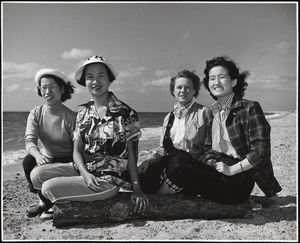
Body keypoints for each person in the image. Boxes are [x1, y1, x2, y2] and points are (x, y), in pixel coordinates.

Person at [148, 56, 282, 205]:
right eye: (212, 78)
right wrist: (210, 162)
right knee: (167, 164)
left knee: (180, 163)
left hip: (239, 180)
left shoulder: (249, 108)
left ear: (233, 81)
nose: (216, 82)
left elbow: (261, 153)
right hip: (217, 173)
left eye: (222, 77)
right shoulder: (213, 113)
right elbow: (208, 148)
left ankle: (157, 201)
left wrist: (231, 170)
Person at [30, 55, 148, 213]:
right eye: (90, 77)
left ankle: (66, 201)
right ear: (85, 82)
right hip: (86, 169)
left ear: (109, 79)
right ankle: (70, 193)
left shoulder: (126, 113)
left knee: (47, 187)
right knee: (36, 175)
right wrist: (84, 174)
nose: (95, 81)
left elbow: (132, 154)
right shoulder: (83, 113)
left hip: (109, 179)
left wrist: (137, 189)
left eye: (101, 76)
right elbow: (77, 151)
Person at [138, 70, 212, 194]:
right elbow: (163, 149)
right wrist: (148, 161)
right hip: (172, 163)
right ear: (173, 91)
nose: (183, 91)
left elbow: (211, 148)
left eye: (187, 87)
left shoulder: (204, 112)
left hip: (191, 167)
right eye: (179, 87)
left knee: (179, 164)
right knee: (142, 174)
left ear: (194, 91)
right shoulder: (168, 118)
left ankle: (163, 197)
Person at [23, 68, 76, 218]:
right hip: (46, 157)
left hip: (67, 159)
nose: (47, 92)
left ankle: (55, 201)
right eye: (43, 88)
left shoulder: (71, 117)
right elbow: (29, 141)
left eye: (52, 87)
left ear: (62, 89)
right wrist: (38, 155)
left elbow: (78, 148)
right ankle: (43, 200)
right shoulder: (36, 113)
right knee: (28, 161)